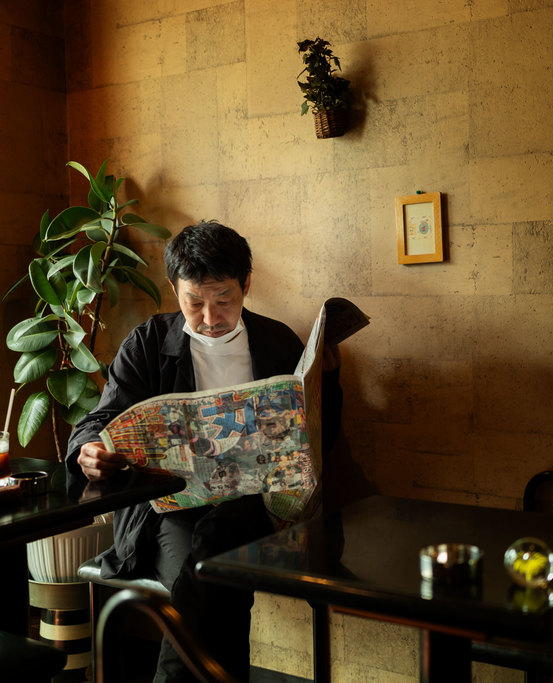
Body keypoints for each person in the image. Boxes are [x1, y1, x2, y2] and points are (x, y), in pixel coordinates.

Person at [65, 220, 340, 682]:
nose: (210, 318)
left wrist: (327, 380)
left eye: (223, 300)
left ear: (246, 285)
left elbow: (315, 439)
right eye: (194, 303)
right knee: (211, 574)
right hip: (169, 507)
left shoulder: (277, 343)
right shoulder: (148, 343)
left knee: (212, 553)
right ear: (175, 290)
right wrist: (88, 449)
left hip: (256, 506)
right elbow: (100, 418)